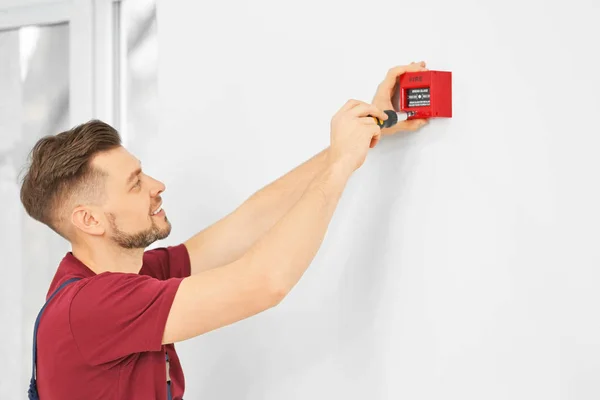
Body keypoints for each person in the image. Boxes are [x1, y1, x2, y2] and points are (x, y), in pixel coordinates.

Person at [19, 62, 429, 400]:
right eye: (135, 182)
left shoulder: (128, 274)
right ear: (89, 220)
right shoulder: (94, 307)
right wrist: (341, 166)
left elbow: (248, 223)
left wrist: (358, 140)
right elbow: (266, 282)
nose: (157, 185)